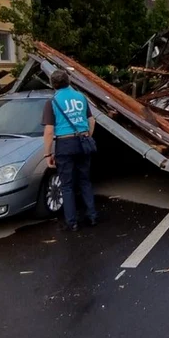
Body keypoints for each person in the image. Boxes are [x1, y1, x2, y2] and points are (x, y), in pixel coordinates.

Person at [42, 70, 98, 231]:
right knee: (85, 181)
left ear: (53, 84)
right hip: (82, 141)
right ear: (69, 81)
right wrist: (86, 137)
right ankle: (92, 216)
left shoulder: (52, 102)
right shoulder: (80, 97)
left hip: (65, 144)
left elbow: (49, 131)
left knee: (67, 185)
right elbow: (91, 121)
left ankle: (72, 222)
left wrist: (47, 153)